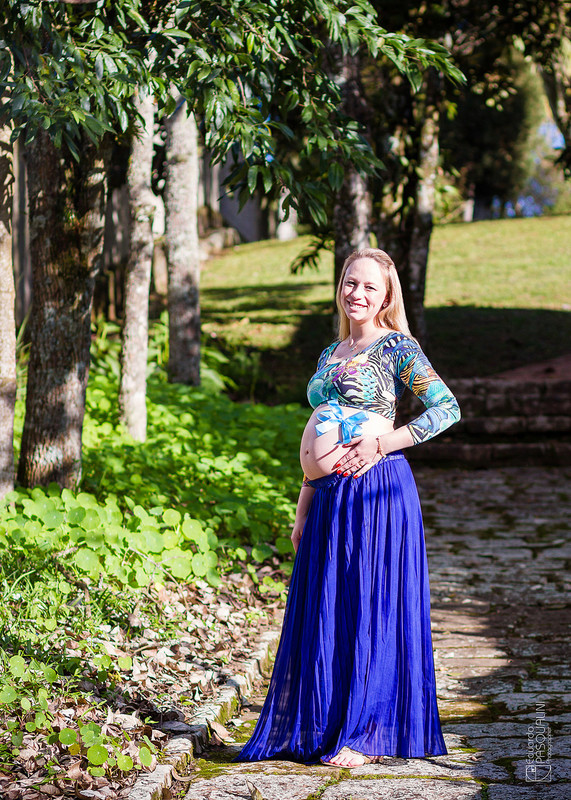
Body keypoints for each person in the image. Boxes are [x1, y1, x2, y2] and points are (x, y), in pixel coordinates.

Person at [236, 248, 460, 767]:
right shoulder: (330, 352)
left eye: (369, 288)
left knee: (367, 607)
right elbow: (320, 434)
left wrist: (383, 444)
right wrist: (302, 506)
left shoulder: (397, 347)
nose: (356, 294)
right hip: (328, 497)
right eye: (349, 283)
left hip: (375, 491)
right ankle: (327, 721)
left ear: (386, 299)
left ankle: (365, 733)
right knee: (329, 609)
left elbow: (446, 409)